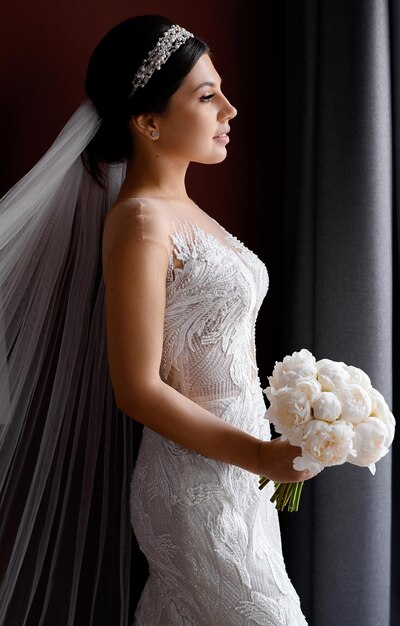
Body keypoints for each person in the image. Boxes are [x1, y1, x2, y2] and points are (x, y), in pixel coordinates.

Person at [0, 14, 313, 626]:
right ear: (147, 122)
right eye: (206, 95)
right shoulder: (143, 222)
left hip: (241, 480)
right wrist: (258, 455)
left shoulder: (185, 212)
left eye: (220, 89)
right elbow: (137, 388)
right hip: (195, 486)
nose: (230, 109)